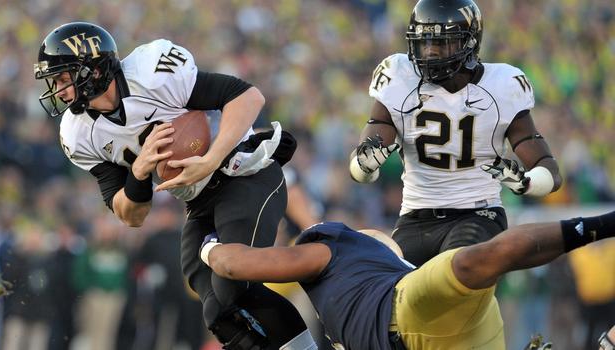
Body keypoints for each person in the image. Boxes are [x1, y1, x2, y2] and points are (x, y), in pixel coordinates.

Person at [33, 22, 313, 350]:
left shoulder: (151, 74)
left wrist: (211, 158)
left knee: (236, 287)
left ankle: (323, 267)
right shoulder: (78, 133)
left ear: (93, 70)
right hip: (198, 201)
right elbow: (131, 215)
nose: (59, 90)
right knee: (217, 313)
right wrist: (138, 171)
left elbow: (248, 96)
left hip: (245, 174)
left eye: (64, 78)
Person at [200, 210, 615, 349]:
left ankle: (604, 224)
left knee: (476, 262)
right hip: (456, 334)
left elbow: (237, 265)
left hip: (413, 313)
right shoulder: (371, 261)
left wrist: (206, 244)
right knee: (476, 262)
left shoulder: (329, 248)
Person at [349, 0, 563, 266]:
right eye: (423, 42)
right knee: (398, 289)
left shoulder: (502, 85)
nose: (430, 52)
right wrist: (364, 165)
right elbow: (362, 166)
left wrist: (527, 182)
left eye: (441, 43)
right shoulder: (398, 75)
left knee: (455, 267)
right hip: (416, 217)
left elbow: (550, 170)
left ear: (470, 43)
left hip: (477, 214)